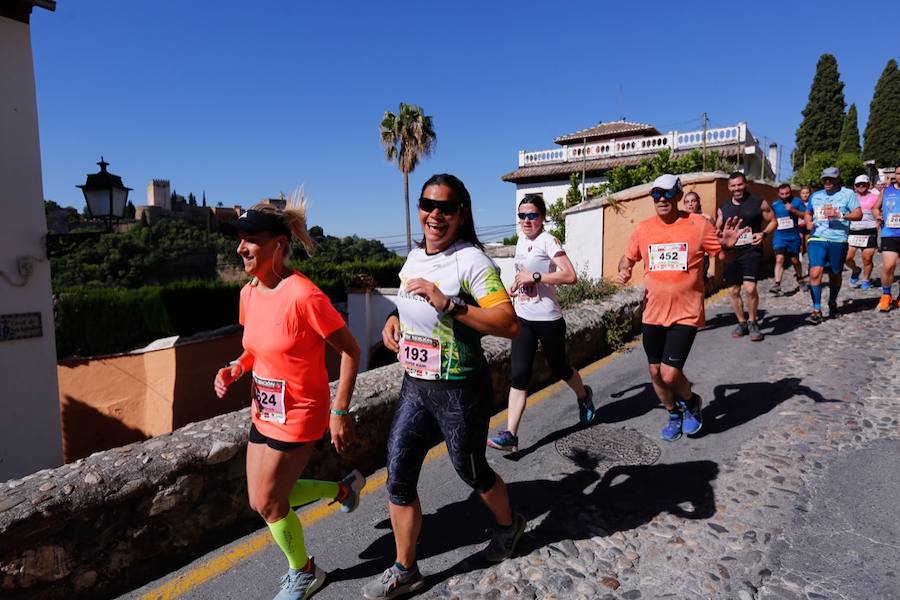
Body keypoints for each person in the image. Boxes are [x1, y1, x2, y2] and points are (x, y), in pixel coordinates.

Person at [367, 174, 524, 599]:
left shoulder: (471, 262)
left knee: (470, 470)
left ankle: (509, 528)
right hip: (415, 385)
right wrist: (392, 322)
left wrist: (449, 303)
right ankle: (405, 568)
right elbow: (408, 303)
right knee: (397, 475)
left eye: (446, 208)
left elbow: (508, 324)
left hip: (459, 389)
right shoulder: (414, 257)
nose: (435, 215)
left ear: (461, 214)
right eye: (428, 205)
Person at [214, 200, 365, 600]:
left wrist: (340, 410)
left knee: (268, 500)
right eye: (240, 241)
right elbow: (256, 349)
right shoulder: (248, 293)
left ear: (279, 245)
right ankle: (342, 491)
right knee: (260, 498)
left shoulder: (304, 295)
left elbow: (351, 350)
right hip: (264, 410)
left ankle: (305, 571)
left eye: (251, 241)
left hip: (301, 411)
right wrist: (236, 367)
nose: (241, 249)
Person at [618, 174, 745, 442]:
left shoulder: (698, 225)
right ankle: (673, 412)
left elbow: (721, 254)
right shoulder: (643, 229)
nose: (661, 200)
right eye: (656, 195)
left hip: (686, 312)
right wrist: (625, 268)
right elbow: (628, 257)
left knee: (669, 372)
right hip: (652, 312)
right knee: (655, 372)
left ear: (678, 196)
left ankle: (692, 401)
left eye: (667, 194)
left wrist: (730, 248)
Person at [487, 194, 593, 453]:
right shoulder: (522, 241)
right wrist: (518, 284)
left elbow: (570, 276)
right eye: (522, 216)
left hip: (548, 319)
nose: (526, 220)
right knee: (519, 375)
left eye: (531, 215)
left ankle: (584, 396)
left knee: (559, 368)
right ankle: (510, 434)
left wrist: (535, 276)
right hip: (523, 318)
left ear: (542, 217)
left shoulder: (548, 241)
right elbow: (525, 274)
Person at [716, 172, 776, 341]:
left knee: (750, 288)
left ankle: (753, 321)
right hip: (732, 253)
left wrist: (763, 234)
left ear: (746, 184)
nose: (737, 189)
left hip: (751, 250)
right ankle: (742, 322)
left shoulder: (758, 202)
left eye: (740, 185)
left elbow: (773, 221)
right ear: (729, 187)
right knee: (733, 290)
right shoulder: (724, 208)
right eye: (733, 186)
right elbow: (717, 229)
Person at [803, 167, 863, 323]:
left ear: (838, 179)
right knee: (815, 273)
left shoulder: (848, 194)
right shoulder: (816, 196)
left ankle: (832, 302)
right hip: (817, 238)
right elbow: (808, 212)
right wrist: (809, 221)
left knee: (835, 274)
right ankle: (816, 309)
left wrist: (840, 215)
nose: (827, 182)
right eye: (825, 179)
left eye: (830, 179)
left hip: (838, 240)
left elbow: (858, 214)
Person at [770, 183, 807, 295]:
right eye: (782, 194)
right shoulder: (775, 204)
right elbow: (771, 218)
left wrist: (793, 210)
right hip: (779, 237)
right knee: (779, 259)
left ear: (790, 192)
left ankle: (800, 278)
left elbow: (805, 216)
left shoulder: (797, 202)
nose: (784, 196)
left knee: (795, 261)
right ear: (778, 193)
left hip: (793, 237)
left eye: (787, 193)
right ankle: (777, 284)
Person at [845, 174, 880, 290]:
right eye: (858, 184)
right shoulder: (851, 197)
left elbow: (881, 210)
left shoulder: (876, 196)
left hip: (870, 229)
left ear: (868, 185)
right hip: (854, 230)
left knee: (867, 257)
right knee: (846, 257)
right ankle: (855, 270)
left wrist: (879, 224)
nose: (861, 186)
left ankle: (866, 279)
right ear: (854, 186)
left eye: (863, 184)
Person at [873, 165, 900, 311]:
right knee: (889, 266)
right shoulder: (886, 191)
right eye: (898, 173)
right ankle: (886, 295)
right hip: (889, 233)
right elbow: (875, 207)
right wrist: (877, 214)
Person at [798, 185, 813, 259]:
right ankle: (800, 256)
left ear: (810, 194)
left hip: (808, 225)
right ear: (800, 194)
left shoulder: (812, 203)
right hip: (800, 225)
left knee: (808, 242)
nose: (805, 195)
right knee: (800, 240)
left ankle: (808, 257)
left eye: (807, 193)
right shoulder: (797, 203)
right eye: (803, 193)